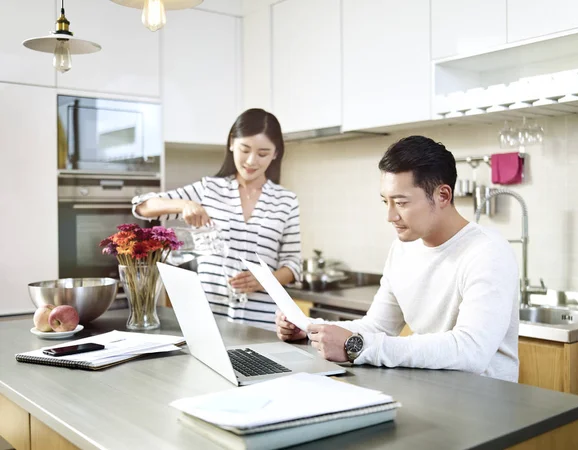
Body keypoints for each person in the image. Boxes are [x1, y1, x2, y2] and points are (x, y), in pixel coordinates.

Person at [276, 136, 520, 382]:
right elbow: (377, 328)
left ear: (443, 196)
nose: (390, 216)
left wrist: (356, 346)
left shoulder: (487, 252)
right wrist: (310, 329)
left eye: (401, 203)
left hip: (487, 402)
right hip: (435, 392)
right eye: (386, 202)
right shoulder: (402, 250)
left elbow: (471, 351)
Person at [133, 108, 301, 330]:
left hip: (265, 324)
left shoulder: (286, 201)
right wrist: (185, 204)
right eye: (245, 149)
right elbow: (142, 206)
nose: (251, 161)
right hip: (209, 320)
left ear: (276, 153)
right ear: (232, 143)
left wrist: (265, 280)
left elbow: (293, 264)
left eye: (262, 154)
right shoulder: (209, 189)